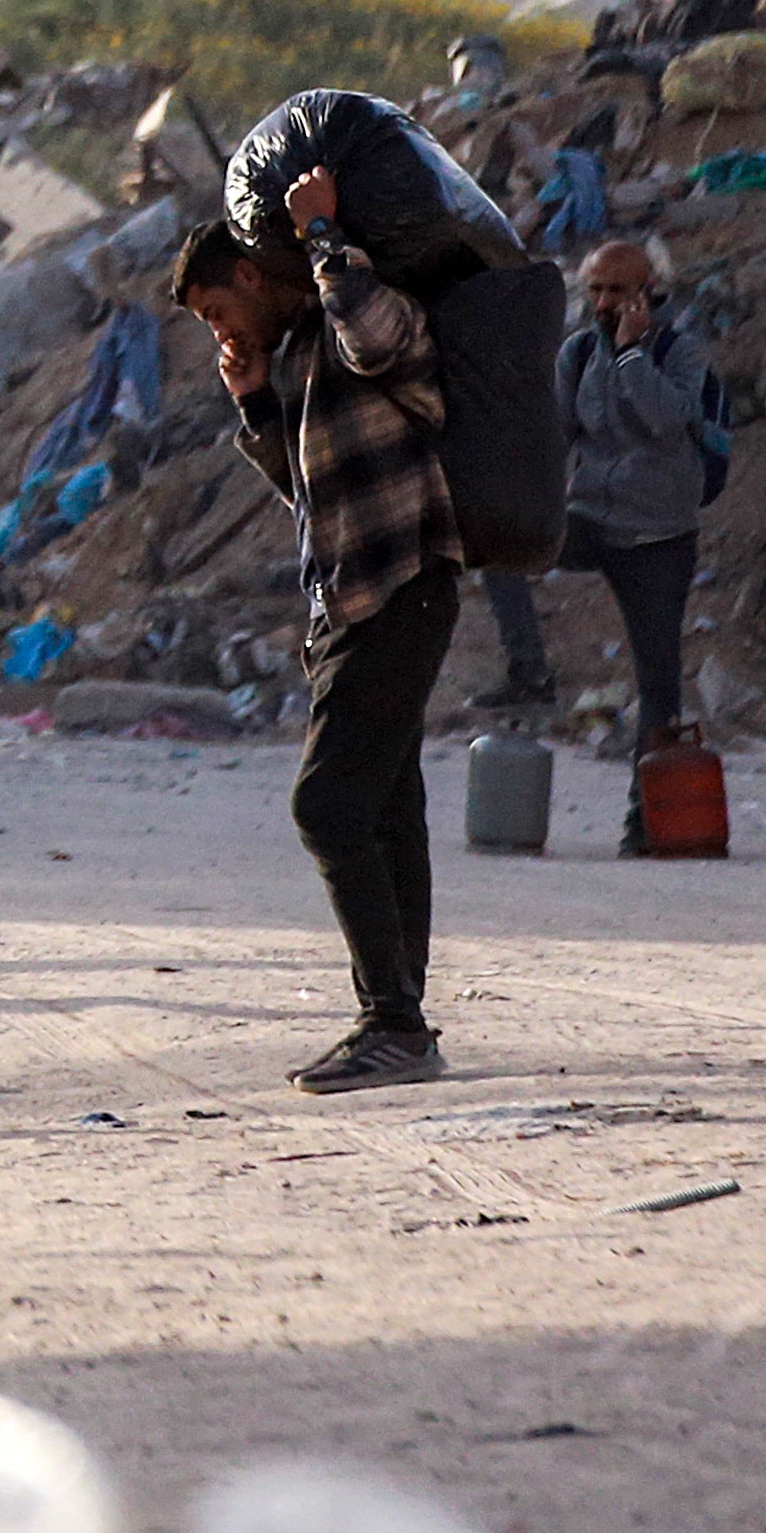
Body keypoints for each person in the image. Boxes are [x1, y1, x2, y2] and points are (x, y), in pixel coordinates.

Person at [182, 166, 460, 1091]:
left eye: (220, 312)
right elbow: (311, 497)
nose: (221, 334)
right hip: (352, 600)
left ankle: (394, 1023)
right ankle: (400, 1019)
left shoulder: (352, 318)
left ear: (256, 278)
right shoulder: (302, 353)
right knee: (385, 807)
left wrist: (321, 232)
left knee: (327, 805)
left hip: (402, 586)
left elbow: (385, 336)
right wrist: (257, 401)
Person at [545, 237, 723, 831]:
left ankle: (647, 818)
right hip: (592, 515)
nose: (602, 302)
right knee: (503, 551)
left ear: (647, 292)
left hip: (657, 531)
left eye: (616, 290)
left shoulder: (681, 352)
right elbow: (559, 433)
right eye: (594, 290)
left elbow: (667, 421)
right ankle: (523, 671)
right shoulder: (576, 354)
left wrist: (630, 356)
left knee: (658, 677)